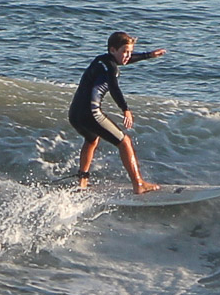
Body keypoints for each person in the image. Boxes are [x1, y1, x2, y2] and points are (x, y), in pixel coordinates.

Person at [69, 31, 166, 194]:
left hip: (75, 114)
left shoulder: (101, 60)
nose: (128, 56)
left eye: (130, 52)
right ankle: (138, 184)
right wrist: (125, 109)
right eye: (125, 51)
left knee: (91, 139)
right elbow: (114, 88)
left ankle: (82, 182)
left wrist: (148, 55)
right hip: (91, 113)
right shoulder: (112, 68)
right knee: (125, 142)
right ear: (113, 50)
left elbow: (125, 60)